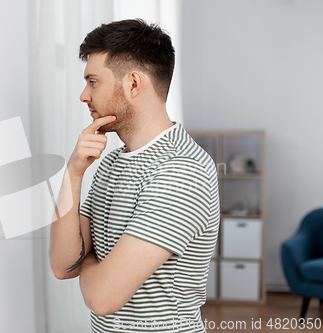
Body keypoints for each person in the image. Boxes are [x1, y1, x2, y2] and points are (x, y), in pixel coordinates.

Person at [50, 19, 219, 333]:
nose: (84, 95)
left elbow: (102, 297)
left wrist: (87, 258)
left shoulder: (182, 170)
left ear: (133, 84)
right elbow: (62, 265)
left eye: (93, 81)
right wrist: (73, 174)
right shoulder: (112, 162)